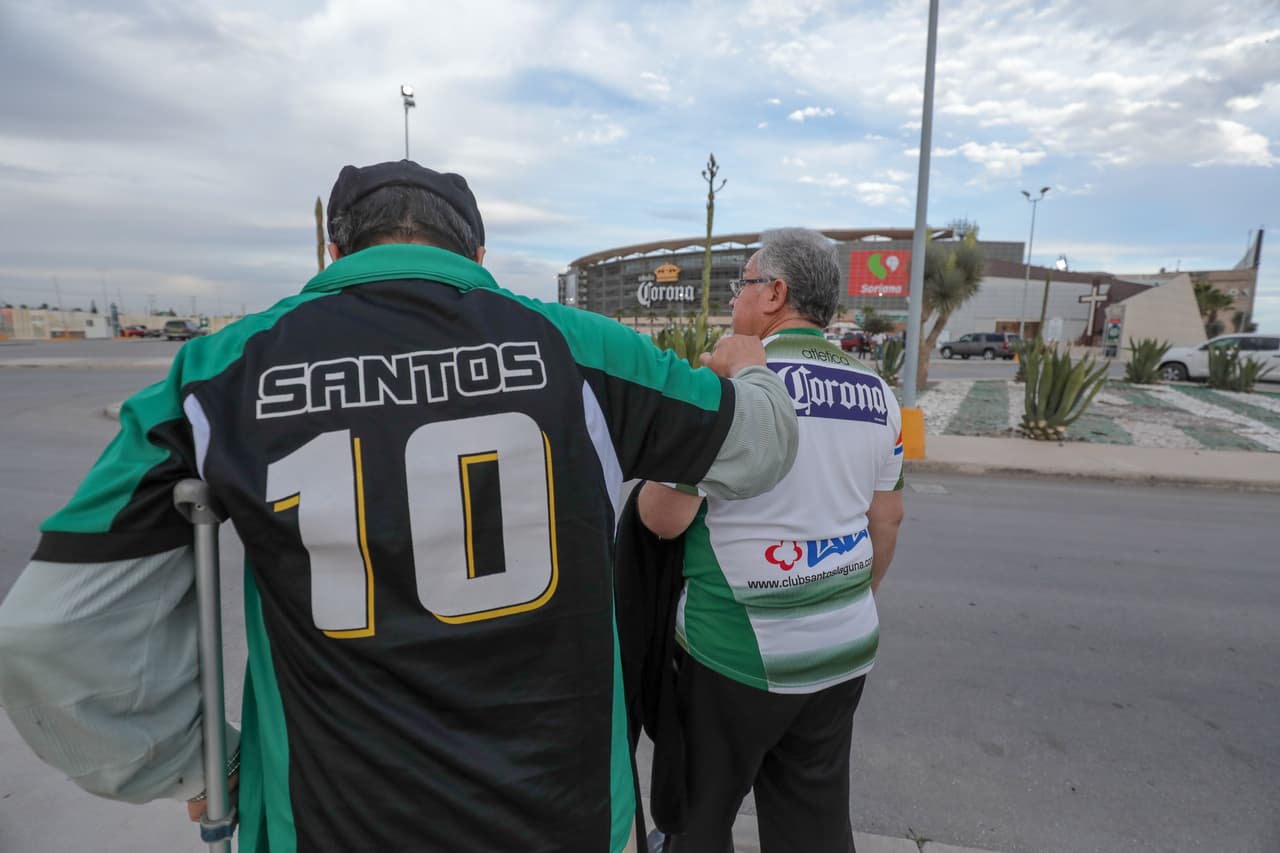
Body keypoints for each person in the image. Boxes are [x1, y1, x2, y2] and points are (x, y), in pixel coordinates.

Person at [0, 160, 802, 853]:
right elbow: (761, 446)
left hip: (330, 823)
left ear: (335, 251)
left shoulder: (219, 372)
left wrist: (206, 759)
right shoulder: (581, 350)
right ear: (478, 255)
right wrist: (750, 364)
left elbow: (49, 630)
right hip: (565, 819)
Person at [638, 228, 906, 853]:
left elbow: (660, 516)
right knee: (811, 820)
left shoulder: (730, 390)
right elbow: (886, 519)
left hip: (734, 651)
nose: (734, 302)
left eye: (743, 286)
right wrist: (830, 606)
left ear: (774, 294)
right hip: (845, 646)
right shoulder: (878, 393)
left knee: (699, 817)